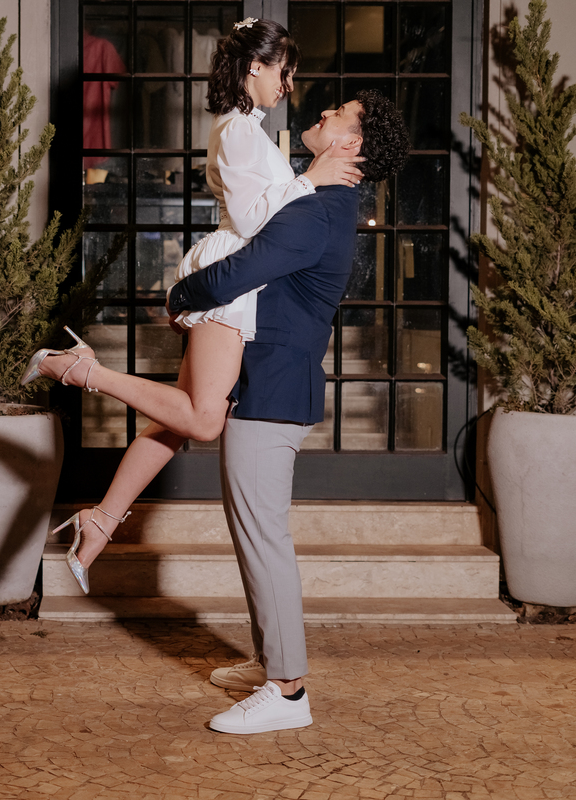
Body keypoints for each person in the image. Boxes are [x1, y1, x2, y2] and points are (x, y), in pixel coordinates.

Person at [20, 18, 363, 594]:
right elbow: (254, 220)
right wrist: (310, 180)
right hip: (229, 279)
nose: (288, 86)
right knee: (203, 419)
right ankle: (79, 370)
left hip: (235, 276)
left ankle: (100, 521)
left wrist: (307, 180)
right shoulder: (238, 130)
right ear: (256, 66)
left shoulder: (247, 128)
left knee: (175, 423)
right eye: (284, 72)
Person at [167, 89, 410, 733]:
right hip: (268, 386)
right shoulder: (325, 201)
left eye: (339, 114)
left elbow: (237, 272)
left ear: (350, 143)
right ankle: (271, 662)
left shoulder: (319, 210)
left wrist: (178, 293)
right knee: (254, 534)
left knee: (263, 538)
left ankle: (288, 691)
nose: (323, 112)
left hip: (273, 391)